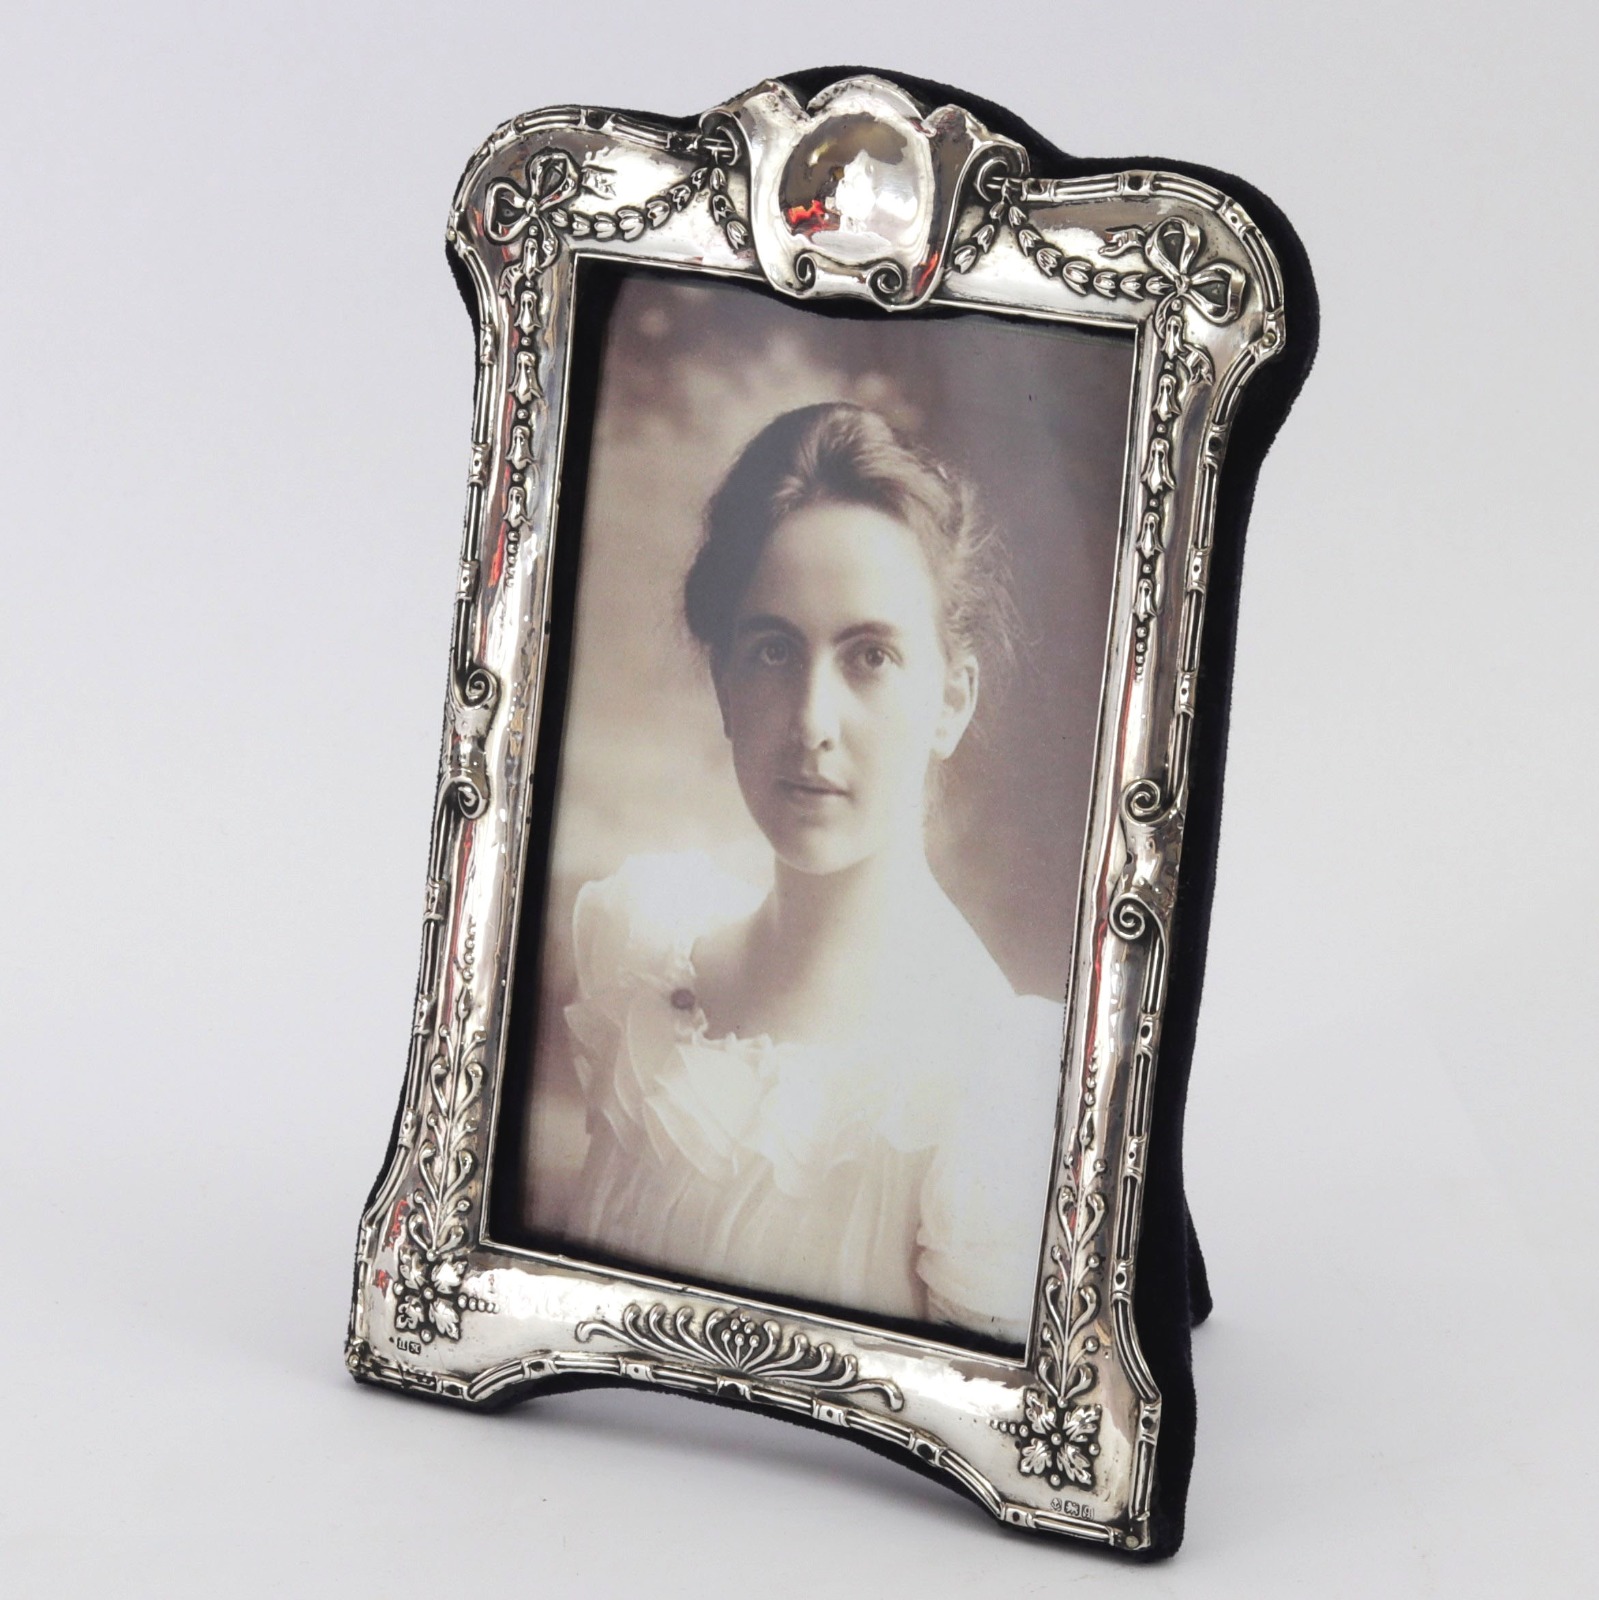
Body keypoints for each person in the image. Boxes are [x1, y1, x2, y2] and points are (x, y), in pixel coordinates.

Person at [556, 403, 1064, 1346]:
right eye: (773, 651)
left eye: (870, 657)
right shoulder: (639, 954)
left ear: (950, 701)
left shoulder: (993, 1097)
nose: (810, 722)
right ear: (723, 685)